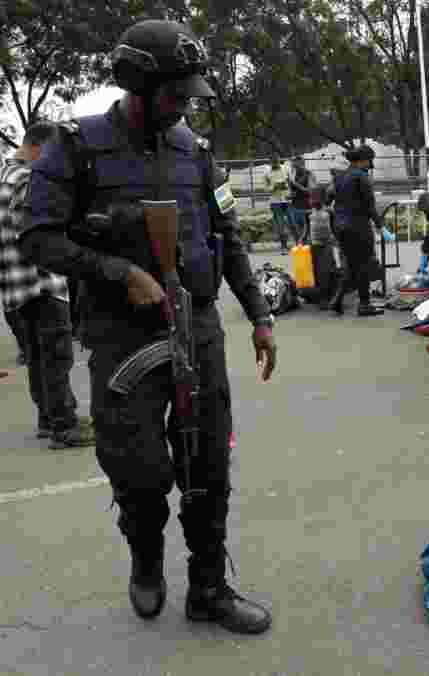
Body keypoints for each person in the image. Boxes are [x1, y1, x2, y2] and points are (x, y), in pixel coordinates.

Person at [19, 20, 277, 633]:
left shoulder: (198, 151)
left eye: (190, 95)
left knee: (208, 465)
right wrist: (114, 270)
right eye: (174, 94)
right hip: (121, 334)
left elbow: (231, 236)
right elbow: (38, 237)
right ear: (137, 86)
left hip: (198, 326)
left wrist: (260, 315)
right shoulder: (76, 147)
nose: (185, 105)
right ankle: (146, 560)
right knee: (139, 471)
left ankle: (209, 589)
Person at [1, 123, 95, 448]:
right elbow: (34, 227)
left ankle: (49, 418)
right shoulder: (27, 179)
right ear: (39, 149)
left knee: (39, 359)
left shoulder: (4, 175)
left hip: (15, 286)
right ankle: (64, 425)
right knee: (57, 357)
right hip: (41, 280)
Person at [330, 145, 385, 317]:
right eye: (370, 162)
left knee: (351, 265)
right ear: (364, 160)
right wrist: (381, 226)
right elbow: (370, 206)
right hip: (358, 227)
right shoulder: (361, 177)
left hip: (340, 227)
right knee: (363, 265)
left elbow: (329, 198)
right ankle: (364, 304)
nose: (370, 166)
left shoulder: (341, 176)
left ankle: (337, 299)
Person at [308, 188, 338, 311]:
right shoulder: (309, 213)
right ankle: (320, 297)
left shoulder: (329, 212)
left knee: (326, 271)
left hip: (327, 245)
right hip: (314, 246)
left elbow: (334, 227)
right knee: (316, 271)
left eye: (316, 198)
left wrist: (337, 239)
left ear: (323, 199)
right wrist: (301, 240)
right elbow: (306, 229)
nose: (313, 201)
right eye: (311, 198)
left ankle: (327, 297)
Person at [264, 157, 291, 254]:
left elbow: (290, 182)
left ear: (279, 161)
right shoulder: (266, 172)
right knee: (280, 224)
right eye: (273, 163)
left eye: (277, 163)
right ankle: (284, 247)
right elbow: (265, 188)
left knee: (292, 222)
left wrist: (285, 185)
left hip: (287, 199)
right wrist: (273, 187)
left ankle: (299, 244)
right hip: (275, 201)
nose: (275, 164)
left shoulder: (286, 168)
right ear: (270, 162)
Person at [288, 156, 313, 245]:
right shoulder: (293, 175)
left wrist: (296, 185)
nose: (294, 166)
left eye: (295, 165)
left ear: (302, 164)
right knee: (297, 227)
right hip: (295, 205)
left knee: (306, 227)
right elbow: (291, 191)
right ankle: (301, 245)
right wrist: (290, 194)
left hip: (307, 205)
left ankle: (306, 244)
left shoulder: (309, 174)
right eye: (293, 165)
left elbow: (310, 190)